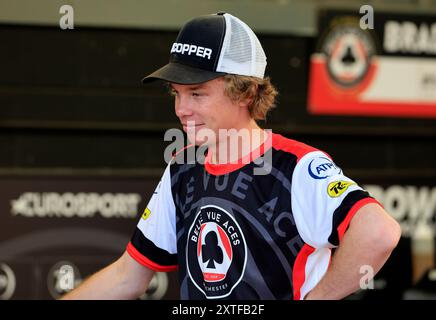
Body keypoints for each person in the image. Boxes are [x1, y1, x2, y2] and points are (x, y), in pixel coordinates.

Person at [62, 12, 401, 300]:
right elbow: (128, 275)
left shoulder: (295, 165)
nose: (182, 109)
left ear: (245, 91)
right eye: (176, 94)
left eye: (197, 93)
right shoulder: (183, 166)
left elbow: (378, 232)